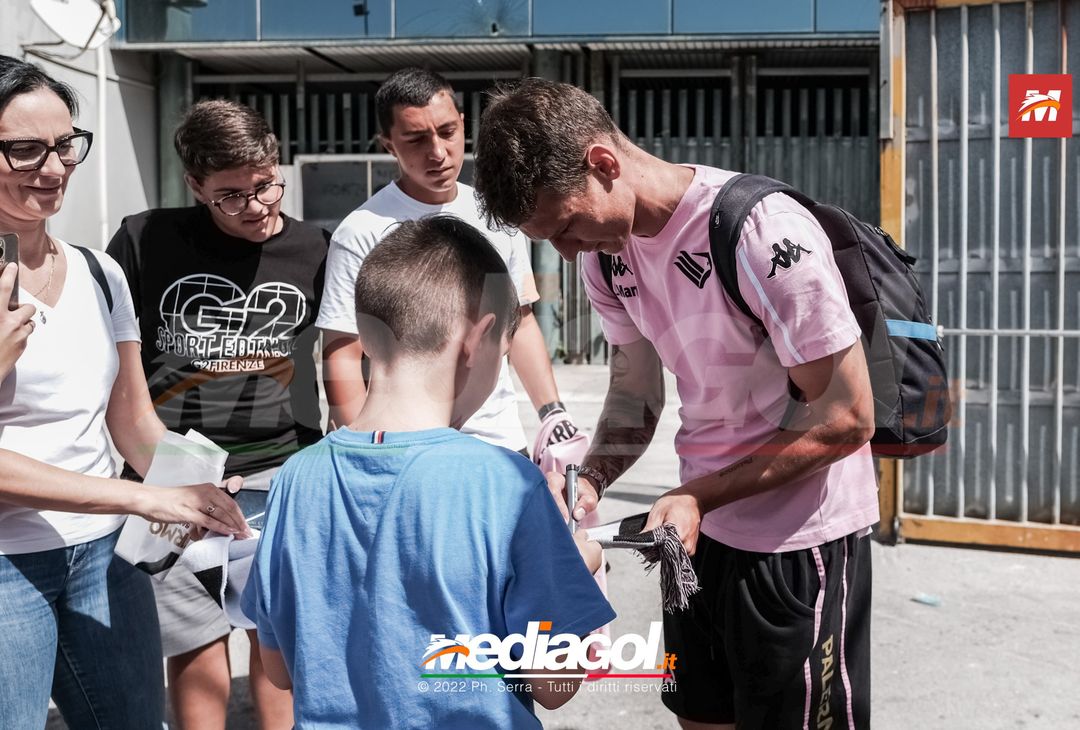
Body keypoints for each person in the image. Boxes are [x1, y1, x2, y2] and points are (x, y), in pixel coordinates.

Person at [473, 78, 879, 730]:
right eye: (551, 239)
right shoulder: (607, 262)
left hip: (798, 542)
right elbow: (636, 393)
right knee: (701, 717)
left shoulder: (760, 231)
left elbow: (847, 416)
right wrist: (591, 480)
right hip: (695, 534)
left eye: (569, 226)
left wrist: (699, 496)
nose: (568, 251)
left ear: (603, 163)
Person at [243, 215, 615, 727]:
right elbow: (554, 683)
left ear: (367, 338)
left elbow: (279, 668)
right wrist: (581, 565)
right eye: (503, 354)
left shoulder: (294, 479)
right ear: (477, 339)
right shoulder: (507, 485)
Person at [0, 55, 247, 729]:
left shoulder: (99, 272)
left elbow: (133, 422)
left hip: (105, 558)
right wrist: (142, 494)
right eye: (24, 150)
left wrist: (205, 486)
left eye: (64, 145)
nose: (52, 169)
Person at [107, 99, 329, 729]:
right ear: (195, 186)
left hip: (281, 471)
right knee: (193, 642)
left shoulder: (317, 247)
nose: (257, 206)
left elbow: (348, 359)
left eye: (265, 185)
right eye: (230, 196)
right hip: (172, 470)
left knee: (275, 639)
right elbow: (112, 357)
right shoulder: (145, 237)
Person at [317, 67, 580, 457]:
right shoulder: (361, 231)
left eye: (447, 132)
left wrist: (552, 413)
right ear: (388, 144)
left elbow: (520, 321)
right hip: (404, 445)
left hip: (499, 443)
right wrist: (366, 449)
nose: (437, 152)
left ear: (462, 124)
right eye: (416, 139)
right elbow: (342, 350)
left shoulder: (497, 215)